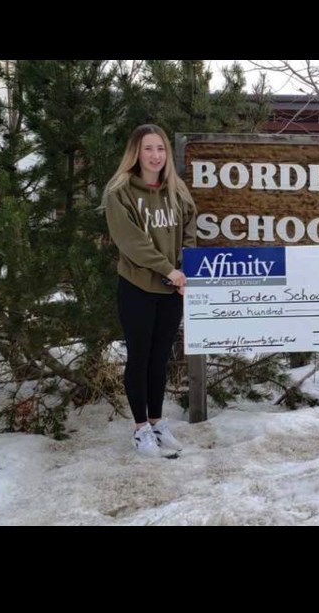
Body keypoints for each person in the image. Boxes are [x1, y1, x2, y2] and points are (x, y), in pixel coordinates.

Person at [102, 124, 197, 457]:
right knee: (139, 358)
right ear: (135, 153)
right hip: (137, 287)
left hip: (172, 289)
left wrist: (185, 268)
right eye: (148, 149)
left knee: (160, 359)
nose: (155, 155)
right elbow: (132, 242)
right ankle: (140, 428)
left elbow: (189, 228)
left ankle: (157, 422)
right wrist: (167, 269)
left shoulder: (177, 190)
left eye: (161, 149)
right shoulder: (120, 192)